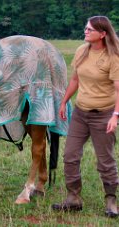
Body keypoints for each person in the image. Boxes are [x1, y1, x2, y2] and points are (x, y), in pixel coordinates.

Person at [52, 16, 119, 218]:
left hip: (104, 114)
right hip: (80, 114)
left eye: (90, 29)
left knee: (105, 161)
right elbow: (75, 79)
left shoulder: (113, 56)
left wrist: (115, 116)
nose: (86, 31)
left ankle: (111, 201)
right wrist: (64, 102)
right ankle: (73, 198)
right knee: (70, 156)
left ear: (103, 34)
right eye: (86, 28)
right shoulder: (82, 51)